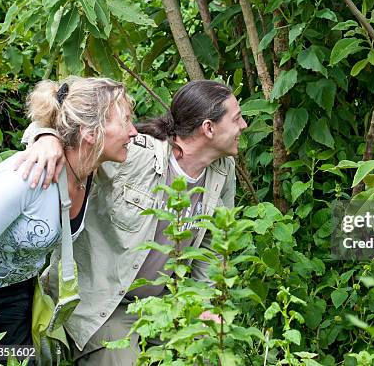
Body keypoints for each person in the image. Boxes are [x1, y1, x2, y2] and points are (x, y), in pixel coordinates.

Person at [17, 80, 247, 364]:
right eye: (237, 118)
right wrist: (47, 137)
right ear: (208, 128)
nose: (244, 125)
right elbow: (73, 127)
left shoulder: (222, 171)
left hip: (166, 301)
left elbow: (211, 249)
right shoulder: (134, 154)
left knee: (213, 351)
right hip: (105, 305)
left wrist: (207, 304)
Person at [0, 77, 137, 347]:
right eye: (125, 120)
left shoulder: (90, 169)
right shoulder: (30, 174)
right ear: (91, 133)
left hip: (17, 293)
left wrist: (46, 133)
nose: (134, 131)